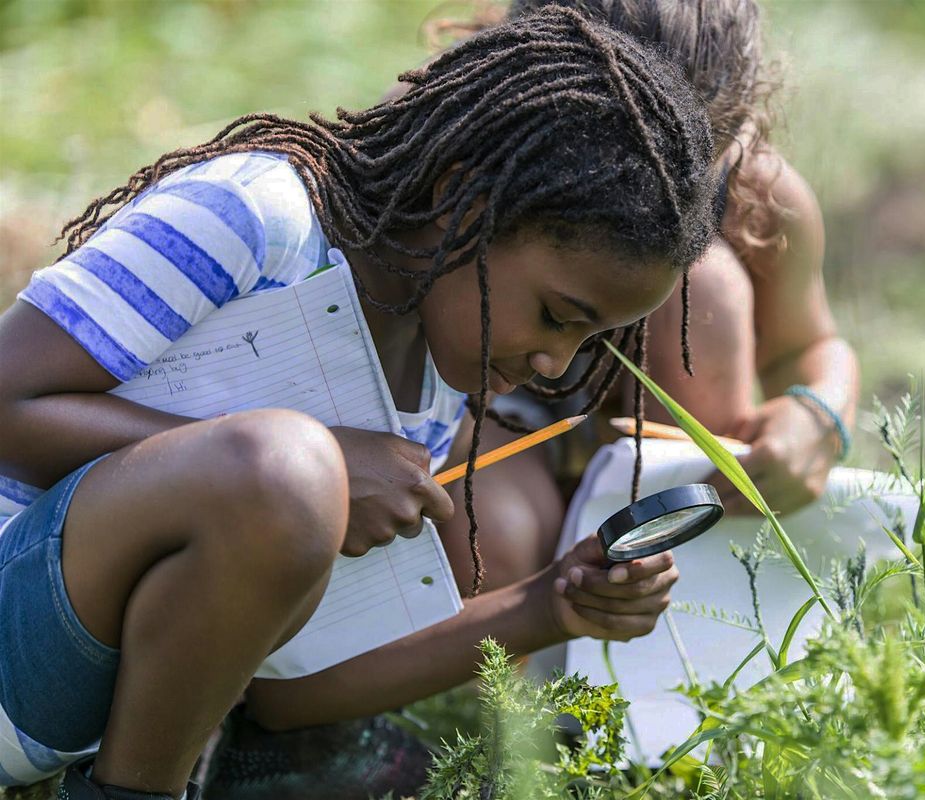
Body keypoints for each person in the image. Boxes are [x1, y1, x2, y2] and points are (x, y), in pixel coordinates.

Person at [0, 7, 718, 797]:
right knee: (286, 469)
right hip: (16, 623)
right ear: (464, 198)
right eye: (556, 315)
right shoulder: (258, 215)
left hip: (64, 718)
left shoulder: (435, 387)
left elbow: (284, 691)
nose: (555, 362)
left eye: (591, 342)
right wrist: (312, 468)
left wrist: (552, 604)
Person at [438, 0, 861, 596]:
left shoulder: (755, 194)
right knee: (496, 537)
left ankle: (679, 610)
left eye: (686, 165)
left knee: (705, 287)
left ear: (735, 130)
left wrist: (818, 416)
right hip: (483, 416)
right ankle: (522, 662)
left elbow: (810, 344)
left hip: (649, 441)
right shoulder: (453, 137)